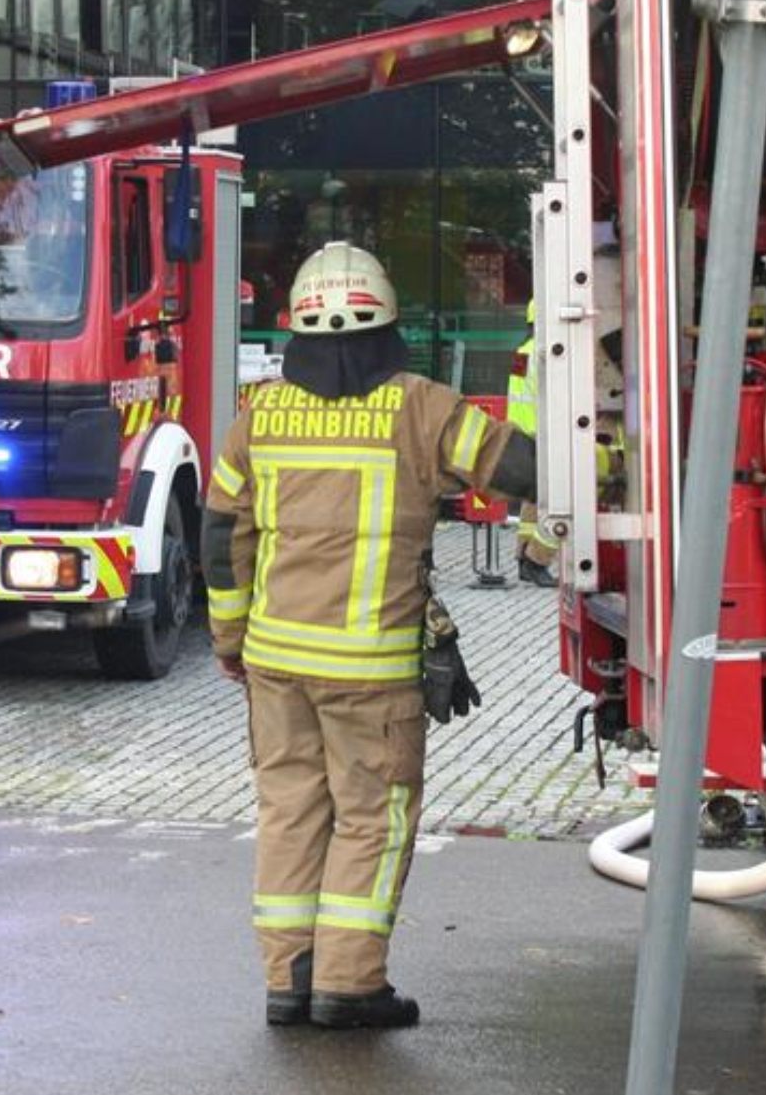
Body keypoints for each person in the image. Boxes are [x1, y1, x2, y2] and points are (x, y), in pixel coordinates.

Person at [202, 242, 536, 1030]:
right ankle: (348, 984)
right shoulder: (422, 407)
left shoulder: (259, 416)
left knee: (288, 811)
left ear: (299, 332)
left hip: (275, 666)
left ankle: (289, 981)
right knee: (372, 816)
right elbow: (513, 466)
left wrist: (227, 640)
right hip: (372, 672)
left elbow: (224, 539)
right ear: (390, 327)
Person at [506, 299, 560, 587]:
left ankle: (522, 558)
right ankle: (537, 559)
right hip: (544, 434)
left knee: (534, 498)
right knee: (560, 498)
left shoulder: (523, 351)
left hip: (522, 433)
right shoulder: (547, 353)